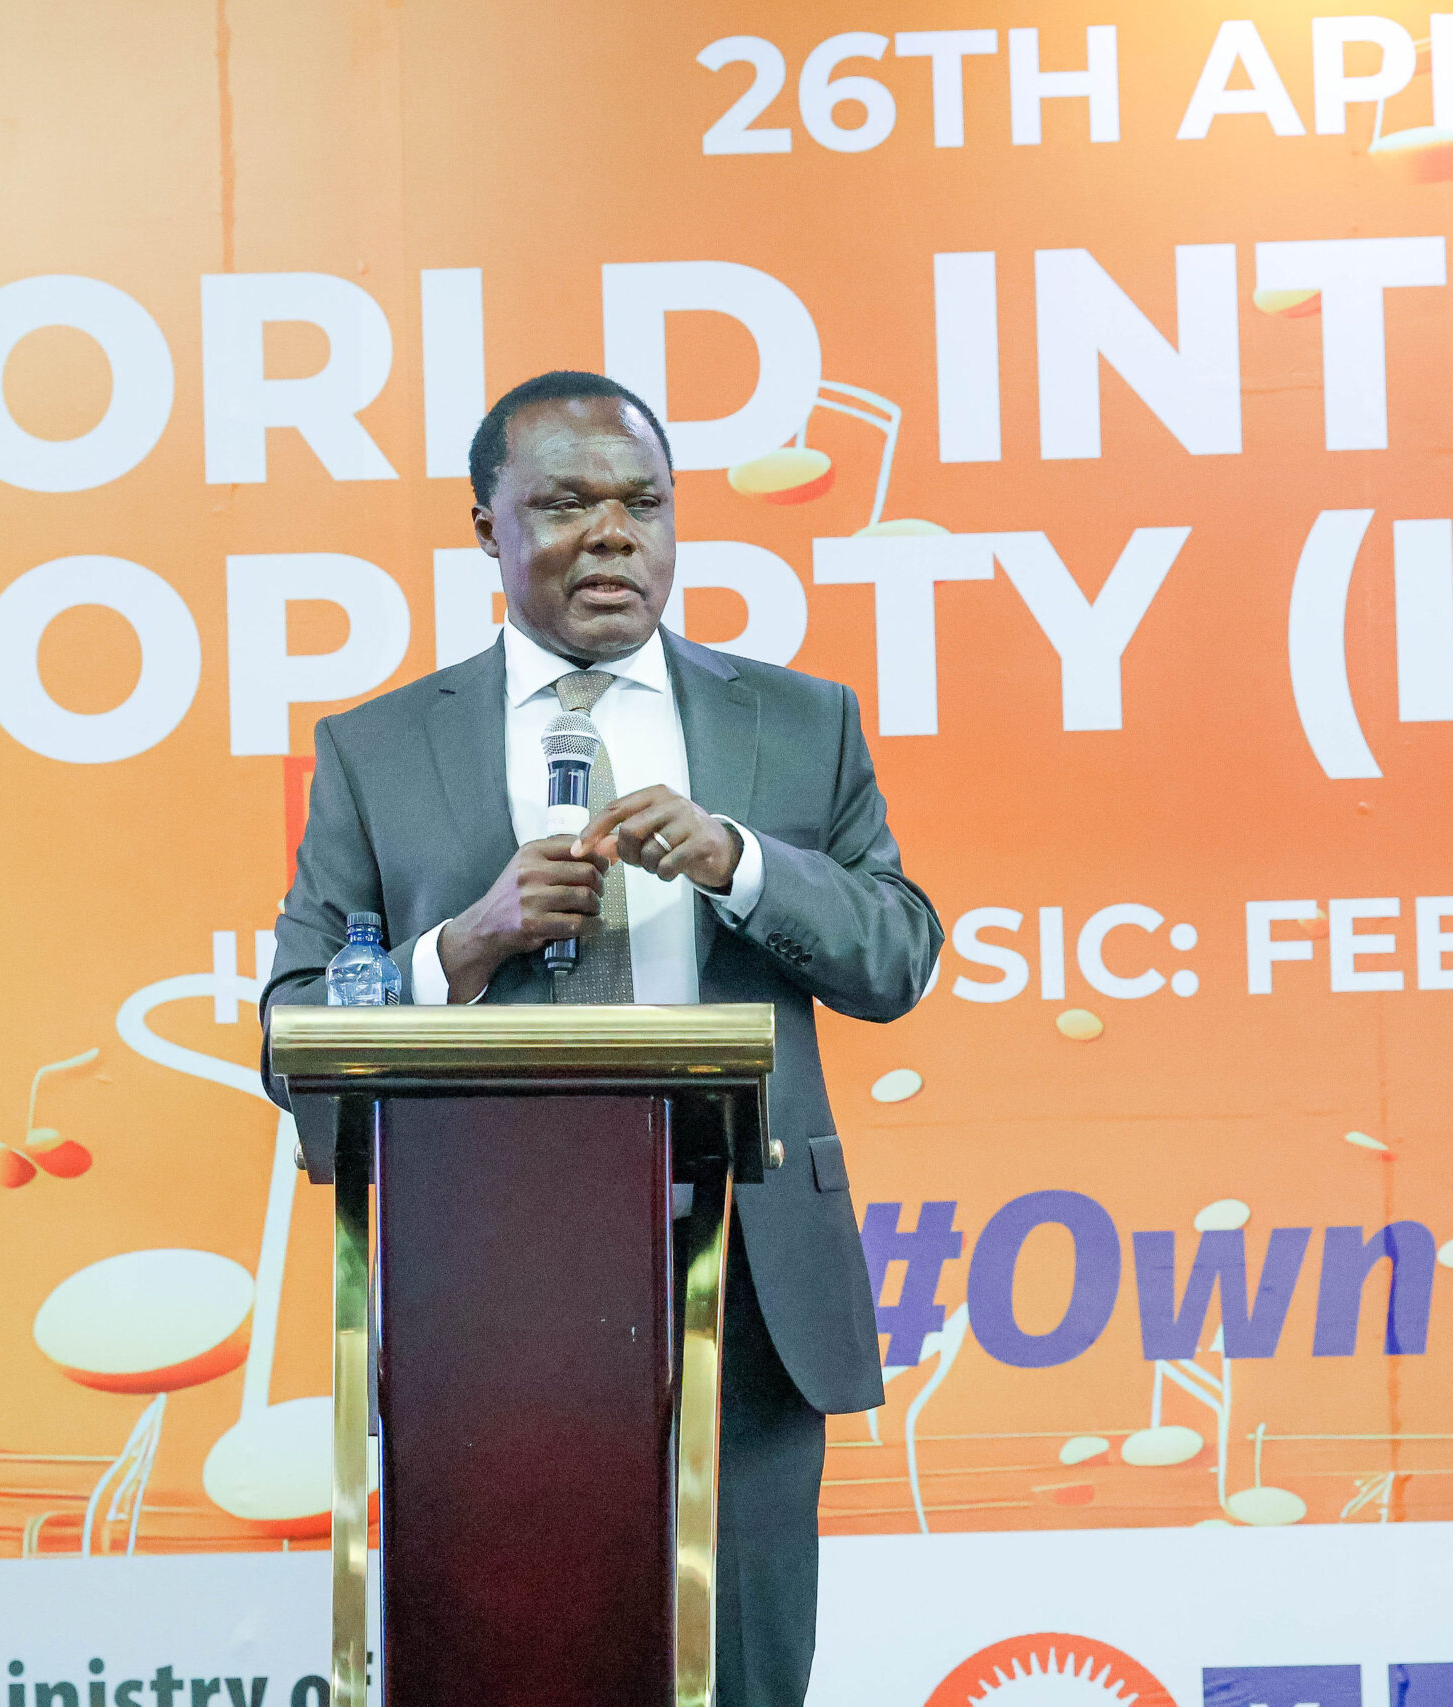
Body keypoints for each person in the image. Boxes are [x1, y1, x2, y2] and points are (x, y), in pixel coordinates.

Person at [262, 370, 942, 1705]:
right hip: (485, 1307)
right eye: (568, 504)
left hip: (744, 1284)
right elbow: (293, 1032)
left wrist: (742, 860)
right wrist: (464, 946)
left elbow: (896, 955)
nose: (614, 535)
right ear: (488, 527)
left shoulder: (798, 722)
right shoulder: (379, 751)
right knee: (515, 1664)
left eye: (645, 503)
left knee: (741, 1676)